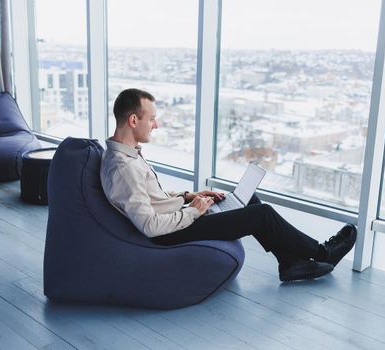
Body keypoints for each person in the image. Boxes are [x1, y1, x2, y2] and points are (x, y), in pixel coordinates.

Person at [100, 88, 357, 282]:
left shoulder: (129, 154)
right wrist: (194, 211)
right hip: (171, 233)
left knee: (250, 201)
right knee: (262, 214)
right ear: (133, 121)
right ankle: (323, 253)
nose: (156, 125)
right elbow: (149, 226)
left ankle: (290, 263)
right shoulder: (123, 167)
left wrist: (191, 196)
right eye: (152, 119)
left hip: (176, 217)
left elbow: (152, 198)